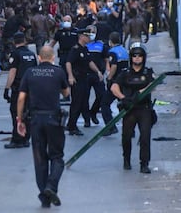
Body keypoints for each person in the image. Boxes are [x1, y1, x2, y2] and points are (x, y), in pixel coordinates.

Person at [16, 46, 70, 208]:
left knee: (40, 159)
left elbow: (21, 98)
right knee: (57, 156)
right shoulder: (59, 72)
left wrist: (20, 119)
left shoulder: (30, 73)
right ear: (52, 57)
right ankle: (51, 186)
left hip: (36, 119)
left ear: (39, 57)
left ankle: (44, 197)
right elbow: (66, 93)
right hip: (53, 118)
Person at [110, 42, 155, 173]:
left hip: (144, 108)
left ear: (144, 57)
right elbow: (114, 87)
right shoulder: (125, 73)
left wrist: (142, 92)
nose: (137, 58)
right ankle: (126, 160)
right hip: (129, 109)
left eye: (140, 55)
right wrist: (123, 98)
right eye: (134, 55)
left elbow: (154, 84)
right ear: (131, 57)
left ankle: (144, 164)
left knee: (145, 137)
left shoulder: (148, 72)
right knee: (126, 137)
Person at [65, 27, 103, 135]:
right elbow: (68, 63)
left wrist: (98, 71)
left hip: (84, 78)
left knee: (82, 102)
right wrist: (70, 76)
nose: (88, 38)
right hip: (77, 79)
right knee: (76, 103)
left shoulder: (85, 49)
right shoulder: (75, 49)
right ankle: (72, 126)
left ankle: (72, 124)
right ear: (81, 36)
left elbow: (90, 62)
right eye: (87, 36)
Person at [3, 32, 37, 149]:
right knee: (27, 113)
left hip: (18, 89)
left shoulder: (15, 54)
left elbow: (12, 72)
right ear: (24, 40)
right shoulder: (32, 54)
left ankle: (17, 139)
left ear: (14, 41)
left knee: (16, 113)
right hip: (31, 88)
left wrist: (7, 88)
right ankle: (26, 138)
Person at [100, 31, 129, 136]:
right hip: (125, 81)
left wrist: (109, 77)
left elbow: (114, 66)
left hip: (116, 82)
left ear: (110, 41)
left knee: (104, 104)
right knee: (124, 103)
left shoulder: (112, 52)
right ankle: (131, 128)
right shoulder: (124, 51)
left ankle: (110, 127)